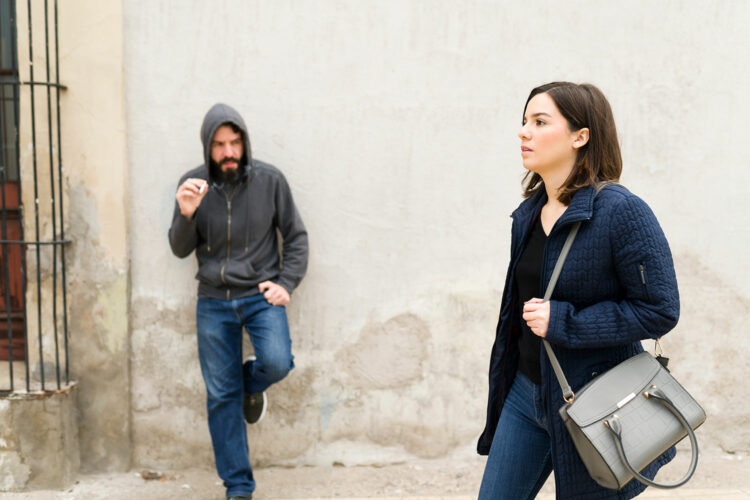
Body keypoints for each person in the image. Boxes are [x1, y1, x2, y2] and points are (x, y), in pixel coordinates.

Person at [476, 82, 679, 499]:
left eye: (540, 121)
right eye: (524, 121)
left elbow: (660, 309)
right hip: (525, 393)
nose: (523, 132)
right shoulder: (528, 214)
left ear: (579, 136)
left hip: (596, 401)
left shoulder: (621, 212)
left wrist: (566, 321)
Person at [169, 103, 308, 500]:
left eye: (234, 143)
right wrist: (185, 214)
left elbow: (295, 236)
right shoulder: (191, 185)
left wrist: (287, 283)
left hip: (260, 296)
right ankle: (238, 487)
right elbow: (180, 249)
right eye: (219, 145)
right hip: (213, 300)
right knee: (220, 397)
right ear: (207, 148)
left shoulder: (270, 180)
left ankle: (250, 382)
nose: (228, 152)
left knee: (278, 362)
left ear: (244, 143)